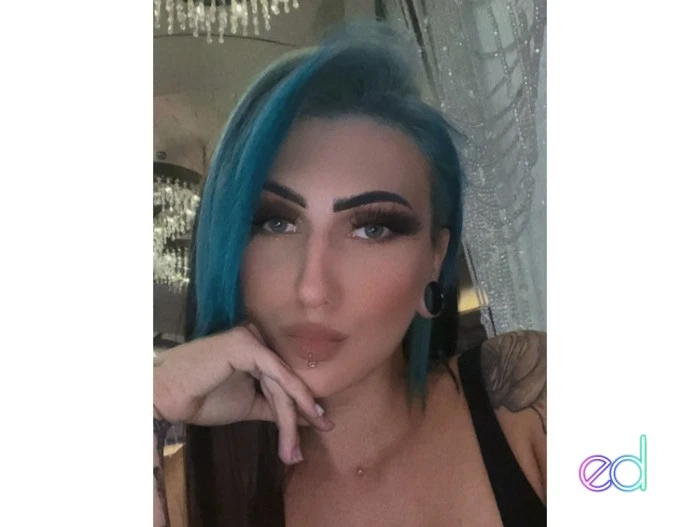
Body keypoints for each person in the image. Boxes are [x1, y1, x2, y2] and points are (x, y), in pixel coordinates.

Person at [153, 22, 546, 527]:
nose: (312, 288)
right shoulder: (179, 497)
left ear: (435, 257)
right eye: (276, 223)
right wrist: (153, 402)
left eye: (372, 229)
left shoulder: (529, 399)